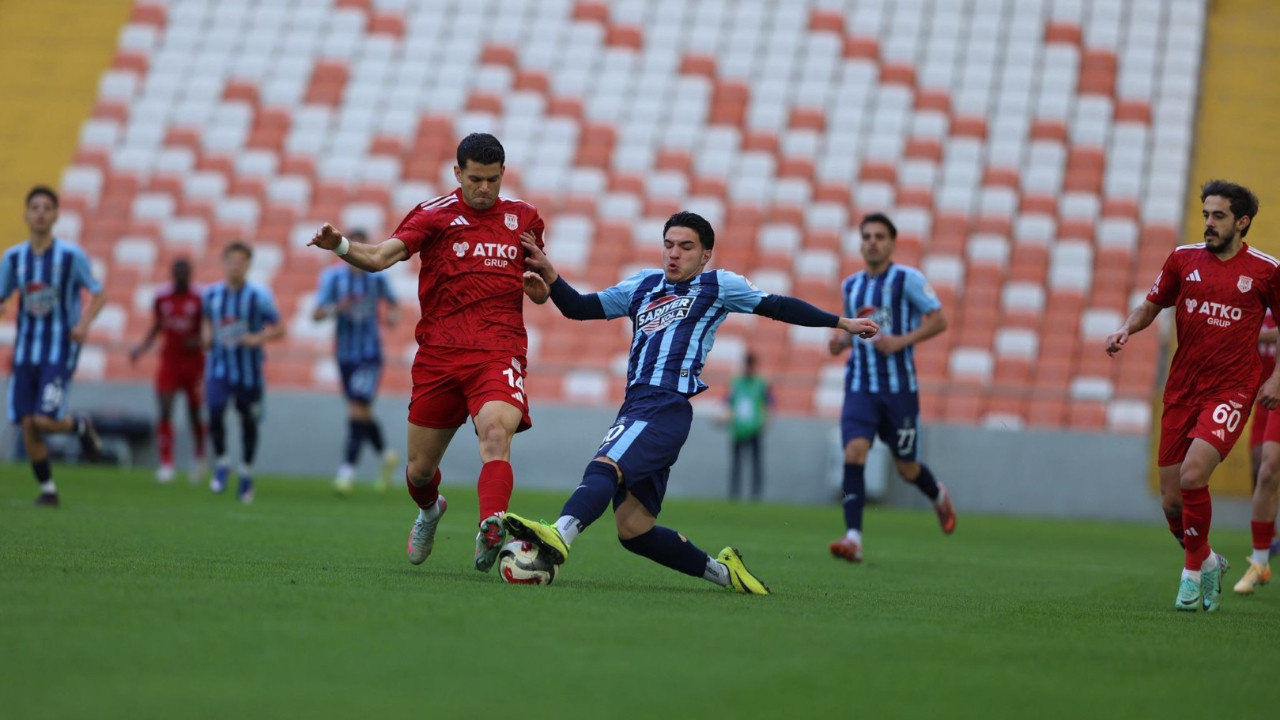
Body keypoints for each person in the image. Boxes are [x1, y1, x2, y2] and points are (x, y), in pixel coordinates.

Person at [502, 211, 880, 594]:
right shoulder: (642, 285)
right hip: (638, 403)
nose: (674, 254)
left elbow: (777, 305)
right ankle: (724, 572)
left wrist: (841, 322)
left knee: (605, 465)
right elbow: (578, 308)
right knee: (634, 529)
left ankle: (560, 535)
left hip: (664, 403)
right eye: (668, 245)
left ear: (705, 255)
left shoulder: (717, 285)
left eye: (685, 247)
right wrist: (550, 275)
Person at [307, 133, 550, 573]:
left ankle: (491, 525)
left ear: (503, 175)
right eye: (475, 179)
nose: (484, 189)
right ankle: (430, 510)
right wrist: (341, 246)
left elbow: (540, 284)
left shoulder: (525, 219)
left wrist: (539, 289)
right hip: (439, 357)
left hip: (498, 351)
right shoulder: (434, 215)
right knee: (419, 471)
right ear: (457, 173)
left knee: (495, 435)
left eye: (492, 180)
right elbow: (381, 257)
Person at [1106, 179, 1280, 612]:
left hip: (1232, 389)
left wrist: (1276, 379)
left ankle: (1189, 577)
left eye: (1218, 216)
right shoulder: (1183, 260)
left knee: (1191, 476)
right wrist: (1128, 326)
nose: (1208, 223)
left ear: (1242, 222)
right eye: (1205, 214)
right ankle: (1207, 560)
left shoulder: (1265, 270)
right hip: (1182, 388)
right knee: (1170, 501)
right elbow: (1152, 304)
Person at [826, 212, 954, 564]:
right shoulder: (851, 286)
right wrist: (841, 342)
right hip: (860, 387)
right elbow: (858, 330)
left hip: (899, 391)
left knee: (907, 468)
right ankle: (853, 537)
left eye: (879, 236)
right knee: (854, 451)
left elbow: (939, 319)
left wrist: (902, 341)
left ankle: (937, 494)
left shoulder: (907, 280)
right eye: (867, 236)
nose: (872, 242)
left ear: (892, 242)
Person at [0, 186, 106, 506]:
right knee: (27, 421)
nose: (41, 212)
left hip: (59, 351)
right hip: (25, 352)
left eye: (48, 207)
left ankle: (80, 424)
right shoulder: (13, 258)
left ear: (57, 215)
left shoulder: (71, 257)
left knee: (44, 419)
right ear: (26, 214)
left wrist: (83, 325)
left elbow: (99, 293)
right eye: (35, 207)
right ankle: (48, 489)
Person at [312, 229, 401, 495]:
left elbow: (394, 304)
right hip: (344, 354)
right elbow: (316, 314)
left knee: (356, 410)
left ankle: (347, 471)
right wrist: (335, 309)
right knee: (362, 412)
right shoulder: (332, 278)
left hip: (370, 354)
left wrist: (392, 317)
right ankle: (386, 455)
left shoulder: (377, 278)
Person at [201, 241, 283, 503]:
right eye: (231, 261)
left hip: (249, 372)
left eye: (241, 262)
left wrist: (258, 338)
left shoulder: (258, 296)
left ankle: (246, 472)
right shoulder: (212, 295)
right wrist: (205, 335)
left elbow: (279, 328)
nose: (236, 266)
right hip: (219, 368)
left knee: (248, 422)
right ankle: (223, 462)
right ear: (224, 263)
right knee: (214, 411)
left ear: (248, 265)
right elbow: (206, 320)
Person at [130, 258, 206, 484]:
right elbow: (158, 325)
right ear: (172, 274)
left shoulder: (200, 298)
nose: (181, 276)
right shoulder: (162, 297)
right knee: (164, 409)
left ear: (190, 274)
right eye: (177, 272)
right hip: (170, 361)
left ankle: (199, 459)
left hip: (194, 363)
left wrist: (200, 340)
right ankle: (166, 464)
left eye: (184, 272)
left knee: (194, 413)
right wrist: (142, 347)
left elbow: (209, 328)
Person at [1235, 309, 1280, 594]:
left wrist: (1250, 335)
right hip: (1271, 394)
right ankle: (1261, 561)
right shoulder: (1261, 297)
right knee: (1264, 470)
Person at [725, 352, 771, 501]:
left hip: (754, 428)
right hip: (738, 428)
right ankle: (734, 493)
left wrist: (765, 422)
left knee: (755, 463)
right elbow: (729, 402)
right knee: (736, 463)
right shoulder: (736, 382)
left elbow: (767, 404)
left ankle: (755, 494)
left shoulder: (761, 383)